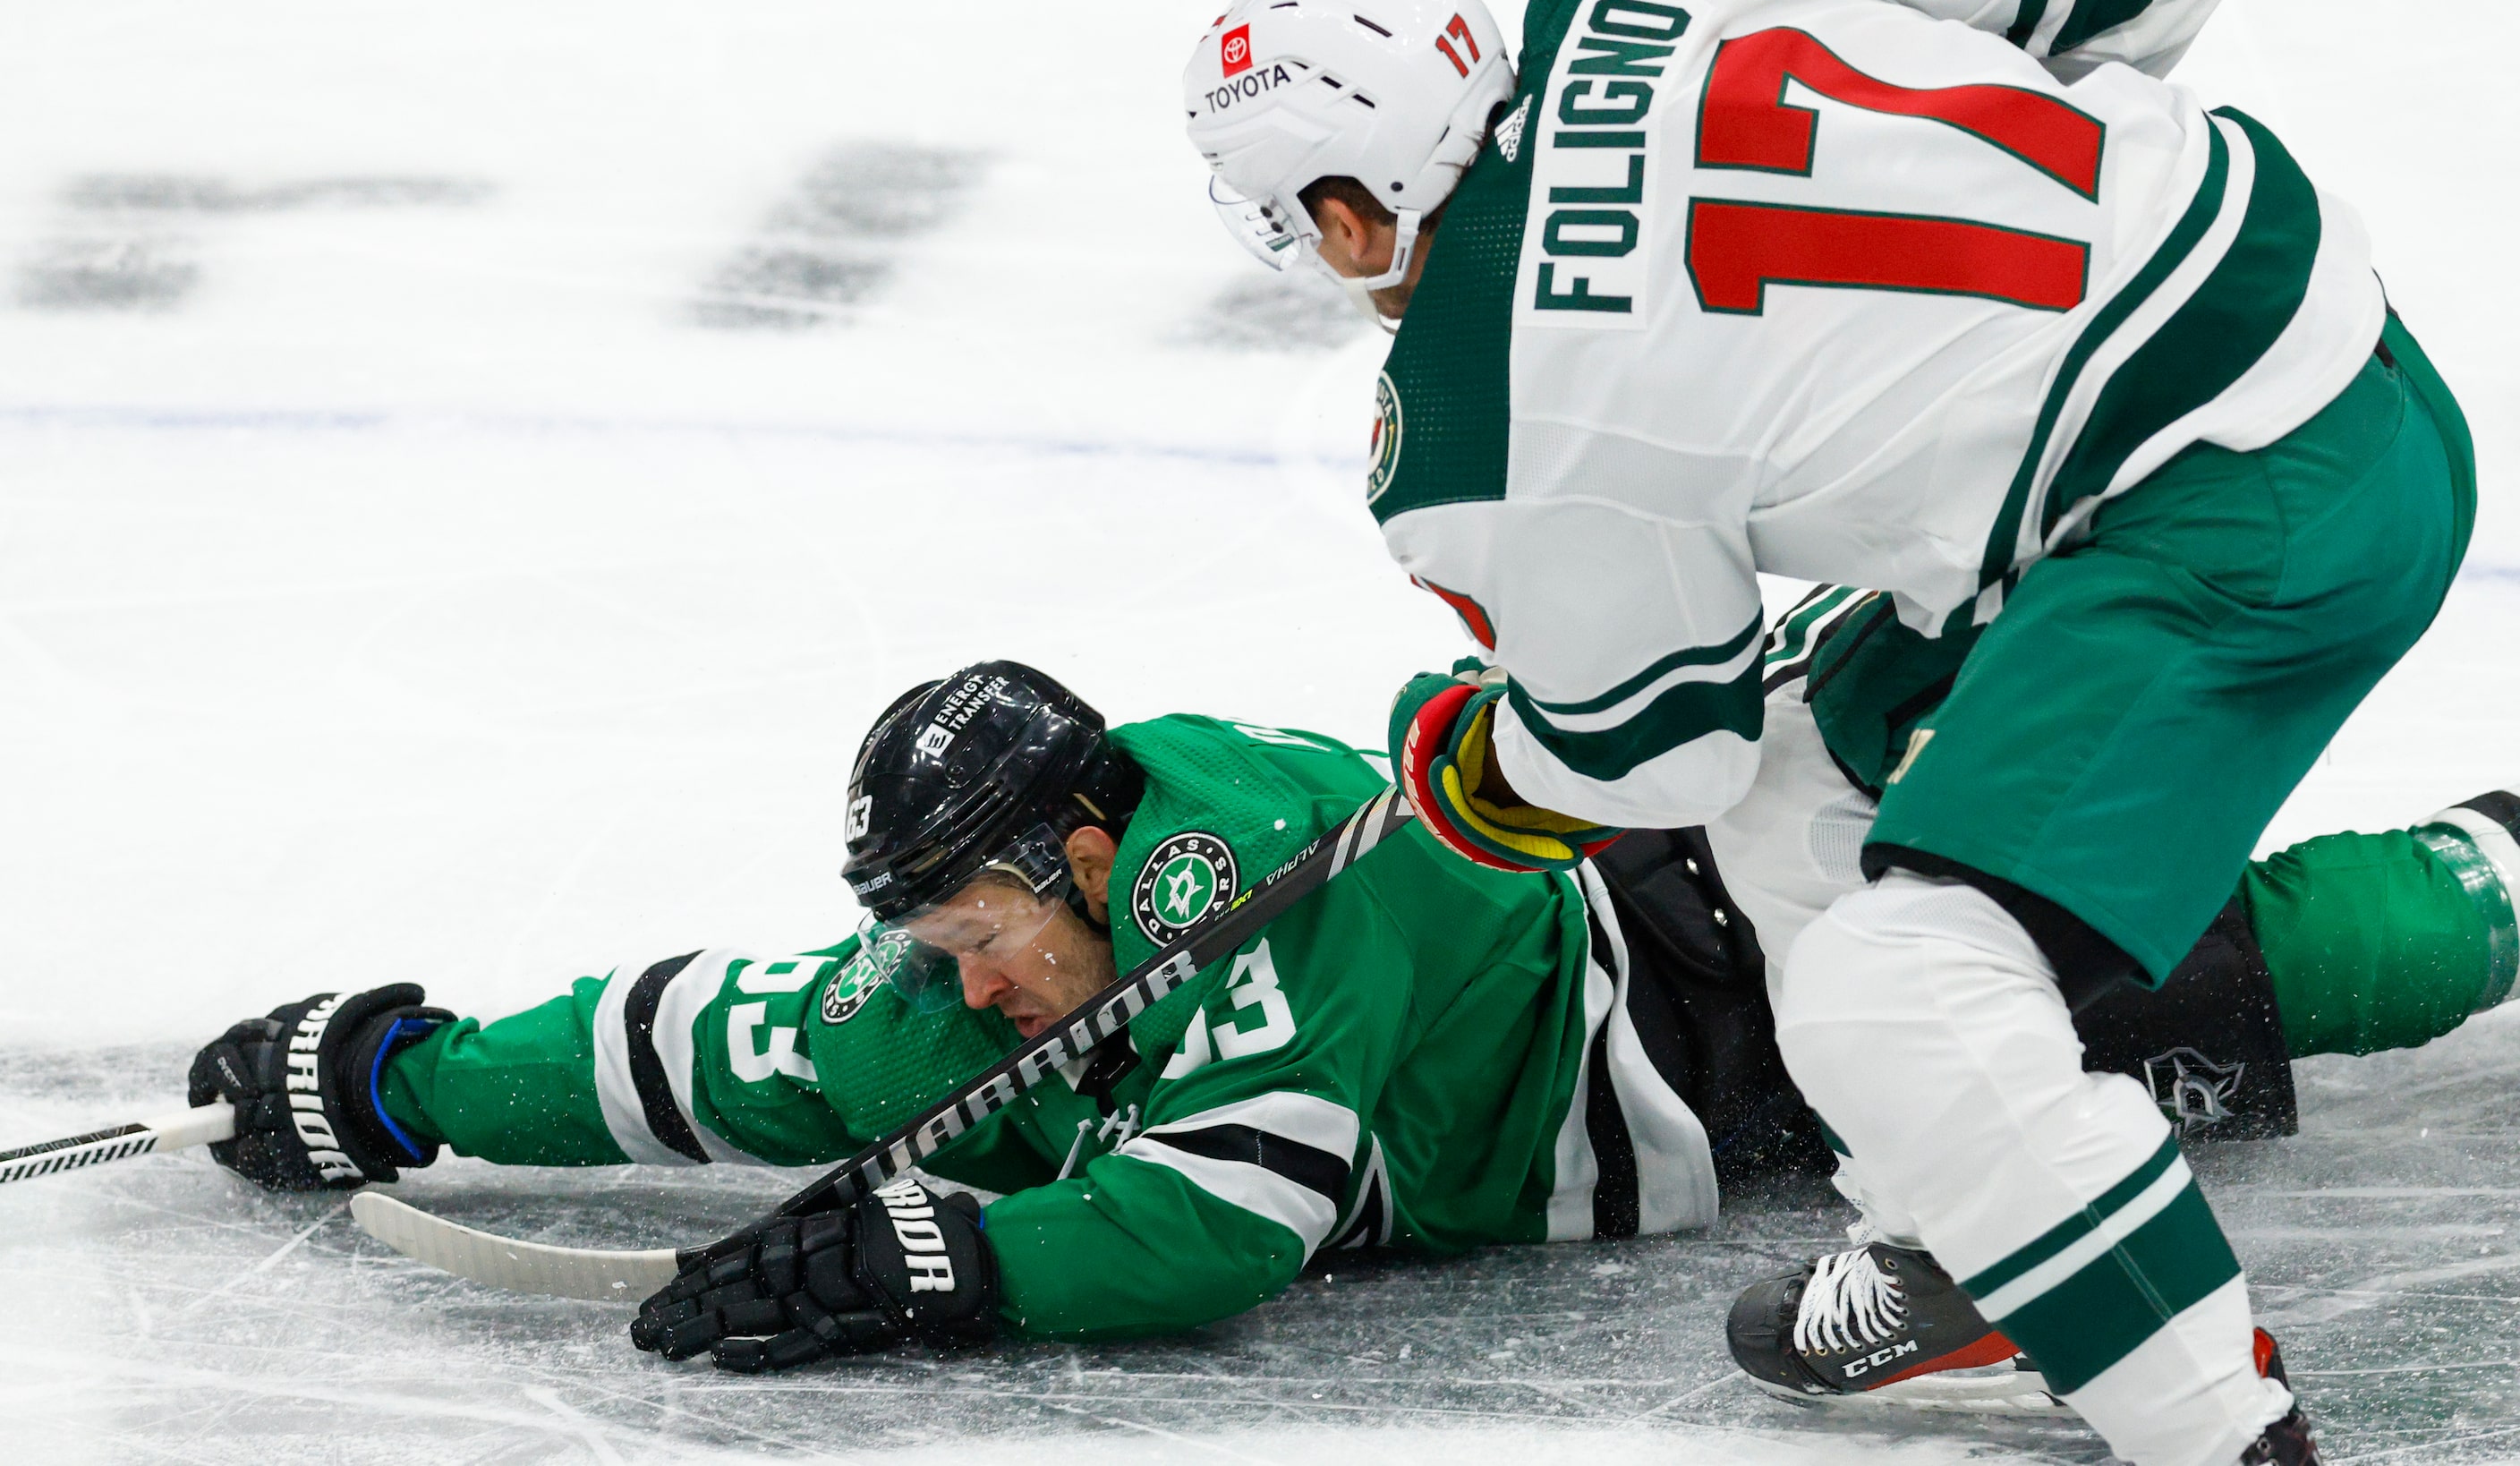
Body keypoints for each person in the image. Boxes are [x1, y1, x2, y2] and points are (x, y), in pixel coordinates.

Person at [1184, 0, 2475, 1466]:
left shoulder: (1472, 419)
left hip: (2256, 508)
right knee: (1801, 781)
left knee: (1891, 988)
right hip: (2334, 339)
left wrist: (1476, 770)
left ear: (1355, 214)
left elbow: (1649, 750)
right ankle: (1985, 1253)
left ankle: (2221, 1431)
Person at [189, 655, 2517, 1409]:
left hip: (1760, 1026)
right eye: (941, 936)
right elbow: (704, 1035)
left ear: (1093, 853)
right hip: (1677, 919)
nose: (963, 976)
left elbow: (1232, 1218)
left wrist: (947, 1268)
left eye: (986, 920)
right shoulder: (990, 963)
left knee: (2290, 950)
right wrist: (394, 1073)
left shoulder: (1236, 876)